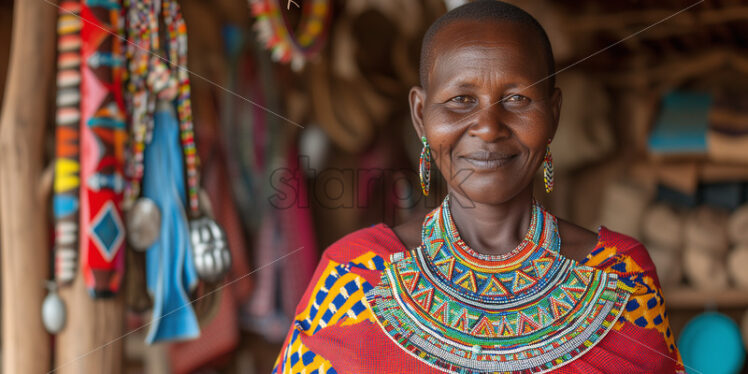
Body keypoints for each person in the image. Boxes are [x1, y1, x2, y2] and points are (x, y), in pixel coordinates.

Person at [272, 1, 685, 373]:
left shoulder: (620, 273)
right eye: (460, 100)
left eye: (518, 99)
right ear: (420, 115)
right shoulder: (355, 276)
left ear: (554, 114)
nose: (488, 128)